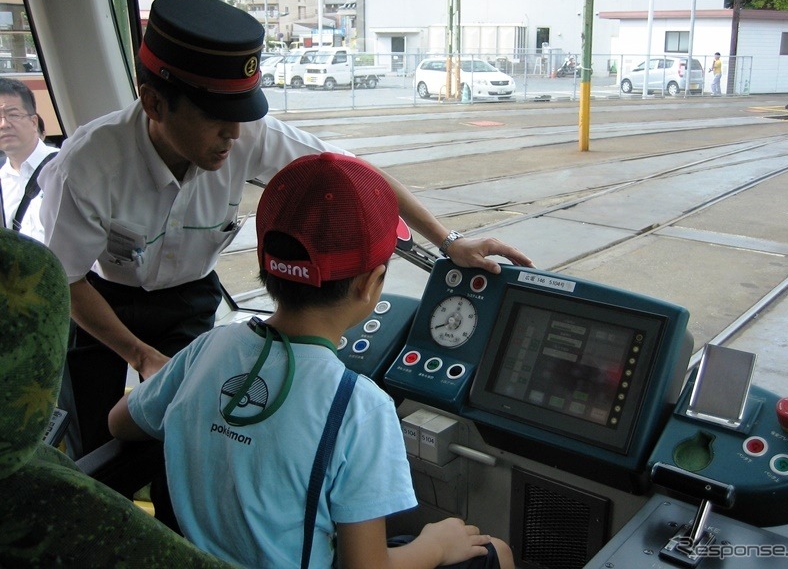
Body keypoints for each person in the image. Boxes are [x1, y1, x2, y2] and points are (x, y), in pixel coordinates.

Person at [38, 0, 531, 519]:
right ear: (155, 103)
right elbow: (65, 280)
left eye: (240, 115)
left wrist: (447, 241)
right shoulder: (89, 166)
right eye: (215, 117)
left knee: (182, 452)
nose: (233, 132)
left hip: (187, 299)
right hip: (101, 303)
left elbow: (354, 177)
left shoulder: (245, 136)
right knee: (99, 457)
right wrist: (138, 354)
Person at [109, 152, 515, 569]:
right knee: (493, 553)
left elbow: (120, 422)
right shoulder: (358, 405)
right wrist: (436, 545)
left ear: (266, 264)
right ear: (372, 285)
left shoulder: (208, 347)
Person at [0, 78, 59, 241]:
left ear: (34, 122)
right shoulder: (2, 179)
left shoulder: (64, 167)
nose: (4, 124)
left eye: (12, 115)